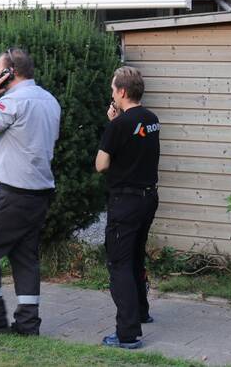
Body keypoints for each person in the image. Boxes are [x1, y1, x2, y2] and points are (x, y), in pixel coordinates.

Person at [0, 47, 61, 336]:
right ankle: (28, 323)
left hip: (11, 194)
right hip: (39, 194)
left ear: (9, 73)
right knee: (24, 257)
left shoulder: (13, 102)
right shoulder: (50, 100)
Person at [95, 66, 160, 350]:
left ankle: (128, 334)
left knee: (119, 263)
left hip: (125, 202)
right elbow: (137, 143)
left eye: (112, 89)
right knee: (135, 256)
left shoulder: (118, 126)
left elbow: (101, 165)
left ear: (121, 91)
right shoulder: (152, 119)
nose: (112, 93)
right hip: (148, 198)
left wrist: (112, 125)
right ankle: (142, 311)